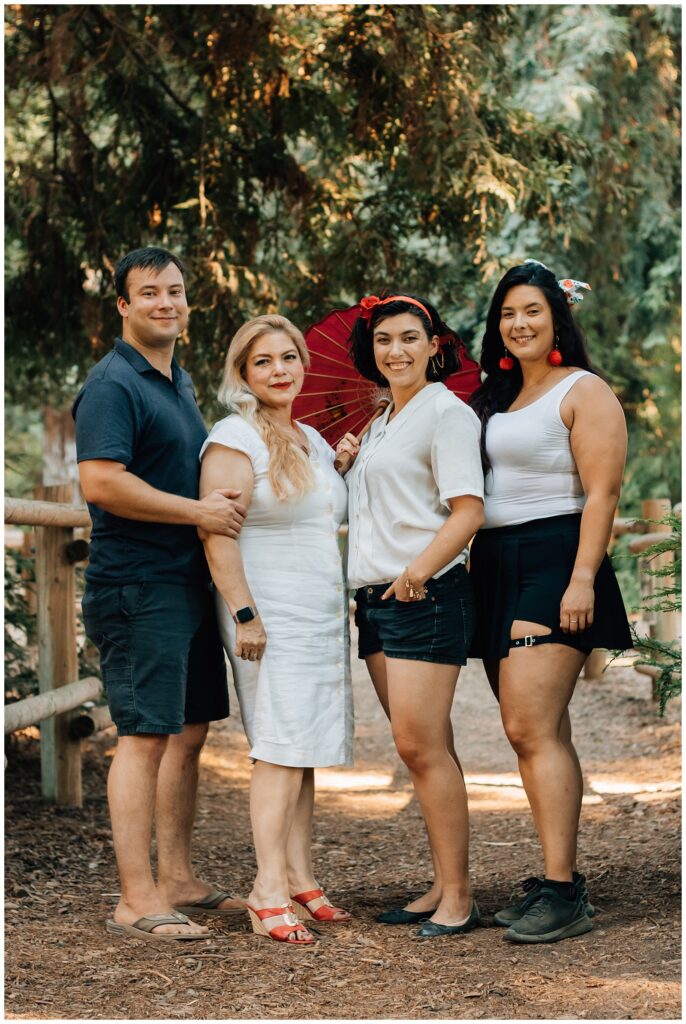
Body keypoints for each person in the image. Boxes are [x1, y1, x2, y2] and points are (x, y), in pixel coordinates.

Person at [73, 246, 247, 942]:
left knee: (189, 731)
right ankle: (135, 896)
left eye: (174, 291)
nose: (165, 303)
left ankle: (176, 877)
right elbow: (102, 483)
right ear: (123, 305)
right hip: (138, 584)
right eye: (149, 293)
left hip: (186, 582)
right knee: (144, 737)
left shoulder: (176, 380)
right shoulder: (113, 384)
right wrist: (198, 514)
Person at [468, 259, 632, 945]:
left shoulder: (582, 390)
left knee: (527, 726)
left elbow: (602, 493)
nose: (520, 323)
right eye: (508, 313)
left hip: (558, 556)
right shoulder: (495, 398)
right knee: (541, 729)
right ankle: (557, 876)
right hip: (496, 563)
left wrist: (582, 578)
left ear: (556, 317)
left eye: (532, 310)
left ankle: (563, 892)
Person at [199, 314, 354, 946]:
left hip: (318, 609)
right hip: (268, 608)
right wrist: (244, 612)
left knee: (306, 746)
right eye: (262, 361)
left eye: (288, 357)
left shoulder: (312, 438)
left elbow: (320, 514)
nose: (279, 370)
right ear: (242, 373)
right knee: (279, 747)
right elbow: (215, 530)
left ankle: (298, 874)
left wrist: (340, 464)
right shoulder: (234, 439)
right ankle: (266, 890)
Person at [335, 294, 485, 938]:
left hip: (422, 593)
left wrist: (417, 573)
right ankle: (440, 883)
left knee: (419, 745)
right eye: (382, 341)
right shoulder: (380, 422)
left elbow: (467, 510)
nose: (394, 350)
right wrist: (346, 466)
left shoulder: (446, 414)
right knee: (425, 747)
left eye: (407, 338)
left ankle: (460, 897)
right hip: (374, 601)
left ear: (434, 346)